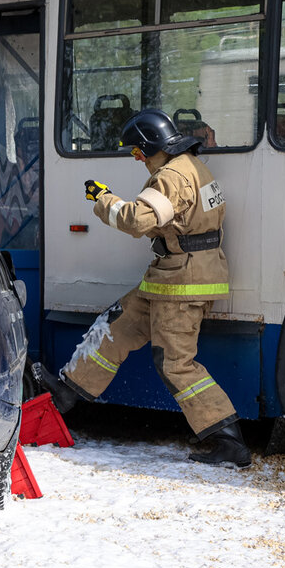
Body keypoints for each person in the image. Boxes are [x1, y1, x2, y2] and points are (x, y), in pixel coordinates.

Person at [42, 108, 251, 469]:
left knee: (175, 363)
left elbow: (137, 220)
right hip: (173, 275)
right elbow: (183, 219)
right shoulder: (194, 167)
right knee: (116, 326)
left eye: (138, 153)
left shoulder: (170, 176)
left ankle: (227, 439)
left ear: (152, 146)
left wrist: (104, 199)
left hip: (182, 282)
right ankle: (66, 392)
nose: (138, 160)